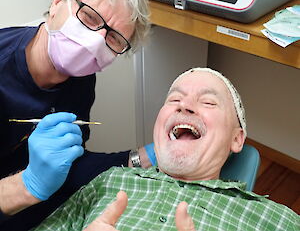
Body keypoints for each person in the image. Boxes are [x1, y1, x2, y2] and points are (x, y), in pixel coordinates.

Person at [31, 68, 299, 231]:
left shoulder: (273, 219)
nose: (185, 106)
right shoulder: (108, 181)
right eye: (174, 99)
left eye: (208, 102)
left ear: (237, 139)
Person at [0, 0, 155, 226]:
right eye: (90, 17)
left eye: (113, 38)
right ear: (59, 1)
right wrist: (27, 185)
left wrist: (142, 158)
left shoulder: (81, 77)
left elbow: (69, 166)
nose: (94, 43)